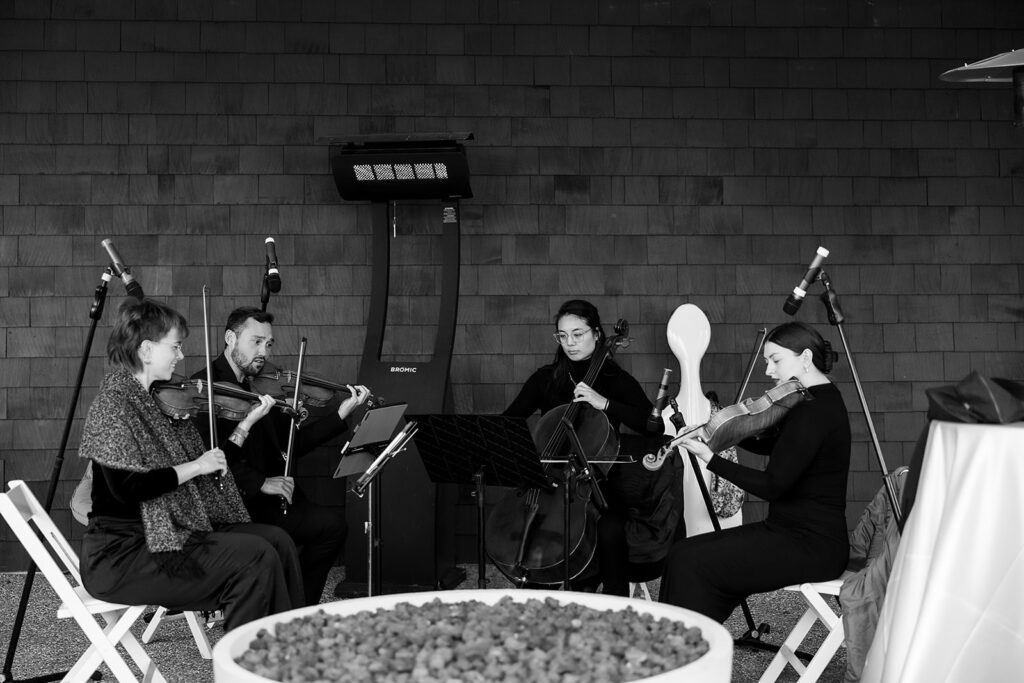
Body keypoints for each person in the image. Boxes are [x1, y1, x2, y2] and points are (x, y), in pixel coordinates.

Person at [78, 298, 303, 632]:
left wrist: (245, 425)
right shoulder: (114, 406)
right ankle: (247, 664)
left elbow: (211, 465)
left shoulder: (157, 402)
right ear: (147, 350)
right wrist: (196, 467)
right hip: (124, 556)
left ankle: (289, 645)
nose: (182, 356)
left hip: (165, 532)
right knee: (254, 555)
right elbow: (129, 490)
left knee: (278, 541)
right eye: (176, 346)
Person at [658, 321, 851, 622]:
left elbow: (773, 485)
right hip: (789, 533)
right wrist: (727, 428)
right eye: (766, 362)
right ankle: (683, 644)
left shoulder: (816, 411)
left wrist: (710, 456)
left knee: (691, 562)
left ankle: (688, 648)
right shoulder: (810, 401)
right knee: (682, 553)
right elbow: (778, 447)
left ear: (805, 358)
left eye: (775, 360)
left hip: (812, 545)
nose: (769, 371)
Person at [193, 306, 370, 606]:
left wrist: (341, 415)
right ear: (230, 339)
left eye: (269, 343)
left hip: (272, 498)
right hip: (236, 502)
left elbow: (293, 444)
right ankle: (290, 605)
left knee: (332, 526)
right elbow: (207, 460)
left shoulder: (264, 387)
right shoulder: (205, 389)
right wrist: (260, 482)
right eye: (256, 341)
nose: (264, 351)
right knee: (316, 530)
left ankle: (295, 605)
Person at [502, 299, 674, 596]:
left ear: (597, 334)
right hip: (549, 481)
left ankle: (615, 601)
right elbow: (508, 423)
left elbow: (653, 425)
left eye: (578, 334)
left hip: (597, 483)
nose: (570, 342)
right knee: (540, 529)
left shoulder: (614, 379)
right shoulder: (547, 378)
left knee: (609, 530)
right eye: (563, 335)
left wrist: (604, 403)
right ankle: (536, 599)